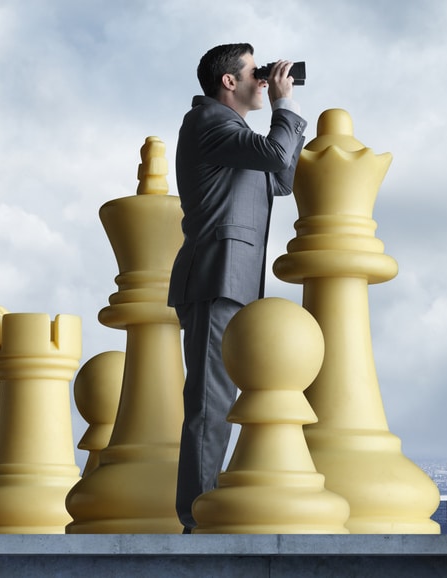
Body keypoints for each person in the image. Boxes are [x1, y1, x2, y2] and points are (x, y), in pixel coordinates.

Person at [168, 43, 307, 532]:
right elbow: (275, 152)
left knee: (221, 403)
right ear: (229, 81)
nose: (264, 80)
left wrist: (282, 119)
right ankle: (196, 521)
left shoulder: (234, 135)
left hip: (235, 279)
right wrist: (283, 107)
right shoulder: (209, 124)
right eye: (255, 72)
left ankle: (204, 512)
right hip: (216, 276)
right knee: (210, 405)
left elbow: (281, 178)